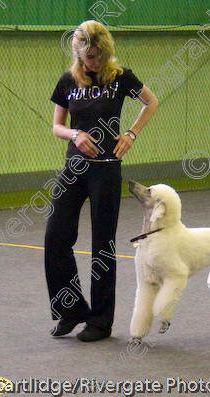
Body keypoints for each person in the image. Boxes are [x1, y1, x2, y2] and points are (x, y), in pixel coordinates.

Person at [45, 20, 158, 342]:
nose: (93, 63)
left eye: (98, 56)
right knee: (56, 237)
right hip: (74, 167)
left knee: (102, 247)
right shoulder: (68, 80)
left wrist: (131, 134)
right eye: (88, 57)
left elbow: (151, 102)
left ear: (106, 53)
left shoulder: (121, 77)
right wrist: (75, 134)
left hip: (107, 170)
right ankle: (70, 310)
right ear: (78, 53)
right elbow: (57, 126)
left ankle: (100, 321)